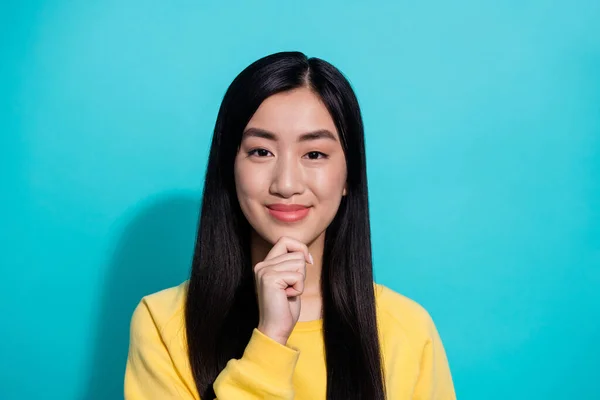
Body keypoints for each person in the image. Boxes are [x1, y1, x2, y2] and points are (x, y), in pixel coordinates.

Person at [124, 51, 456, 399]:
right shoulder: (164, 323)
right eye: (261, 152)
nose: (286, 184)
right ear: (229, 167)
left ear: (348, 176)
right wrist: (270, 340)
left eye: (314, 154)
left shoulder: (407, 330)